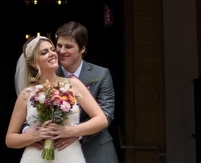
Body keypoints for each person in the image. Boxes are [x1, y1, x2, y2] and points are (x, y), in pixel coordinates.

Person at [6, 35, 108, 163]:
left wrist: (70, 131)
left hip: (69, 155)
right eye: (44, 52)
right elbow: (10, 139)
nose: (52, 54)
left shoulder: (73, 84)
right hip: (36, 157)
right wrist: (33, 136)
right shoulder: (26, 94)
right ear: (33, 63)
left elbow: (101, 120)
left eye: (52, 49)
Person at [54, 21, 119, 163]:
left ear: (82, 48)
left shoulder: (101, 74)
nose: (61, 51)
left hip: (96, 149)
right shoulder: (50, 75)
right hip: (59, 151)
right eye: (59, 45)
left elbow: (106, 115)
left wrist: (76, 133)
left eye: (68, 46)